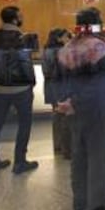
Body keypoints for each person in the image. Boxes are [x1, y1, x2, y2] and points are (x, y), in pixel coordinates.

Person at [58, 8, 105, 210]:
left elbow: (61, 80)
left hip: (73, 108)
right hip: (98, 108)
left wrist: (68, 102)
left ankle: (81, 199)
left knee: (79, 154)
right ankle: (97, 206)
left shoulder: (67, 48)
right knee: (100, 155)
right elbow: (104, 81)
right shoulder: (98, 47)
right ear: (96, 24)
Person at [0, 6, 38, 175]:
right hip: (21, 88)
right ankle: (19, 162)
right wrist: (32, 82)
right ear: (15, 19)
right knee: (24, 123)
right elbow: (26, 63)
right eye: (20, 15)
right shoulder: (22, 38)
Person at [42, 28, 72, 158]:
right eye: (66, 37)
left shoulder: (46, 51)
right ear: (59, 38)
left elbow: (45, 70)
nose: (68, 39)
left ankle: (57, 145)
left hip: (50, 85)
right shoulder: (63, 51)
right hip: (63, 85)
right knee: (66, 115)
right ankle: (67, 148)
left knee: (56, 114)